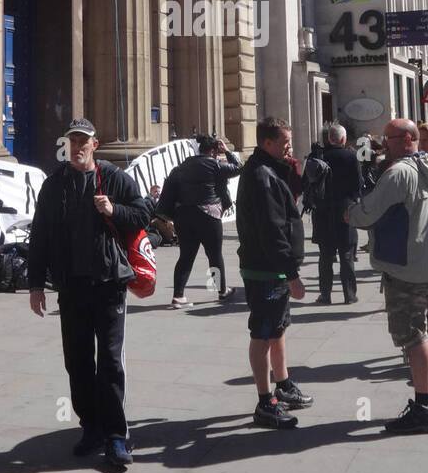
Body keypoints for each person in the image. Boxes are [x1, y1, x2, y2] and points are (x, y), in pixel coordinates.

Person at [28, 118, 152, 467]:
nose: (78, 146)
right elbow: (40, 235)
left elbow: (144, 212)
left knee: (110, 362)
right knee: (77, 361)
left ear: (95, 145)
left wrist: (115, 210)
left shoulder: (112, 178)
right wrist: (36, 284)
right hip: (71, 286)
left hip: (109, 283)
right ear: (66, 144)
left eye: (84, 140)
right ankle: (91, 426)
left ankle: (116, 436)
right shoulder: (55, 185)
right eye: (73, 140)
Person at [345, 119, 428, 433]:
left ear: (408, 139)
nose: (384, 143)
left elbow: (367, 213)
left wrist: (347, 212)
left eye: (389, 137)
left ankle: (423, 407)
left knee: (413, 334)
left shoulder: (397, 173)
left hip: (405, 266)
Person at [236, 116, 312, 429]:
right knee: (264, 333)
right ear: (267, 142)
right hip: (265, 269)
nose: (290, 147)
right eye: (285, 141)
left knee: (278, 328)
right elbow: (271, 229)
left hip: (272, 268)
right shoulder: (261, 175)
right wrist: (290, 273)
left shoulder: (269, 169)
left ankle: (282, 385)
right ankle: (265, 402)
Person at [155, 133, 242, 307]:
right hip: (208, 215)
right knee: (214, 255)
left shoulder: (181, 167)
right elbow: (239, 167)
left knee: (186, 256)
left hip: (184, 217)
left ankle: (178, 296)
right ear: (213, 151)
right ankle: (221, 291)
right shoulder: (215, 165)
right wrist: (227, 151)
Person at [312, 124, 363, 304]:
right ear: (343, 139)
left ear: (329, 139)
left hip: (322, 212)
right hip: (345, 211)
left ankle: (325, 294)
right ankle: (349, 294)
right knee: (346, 255)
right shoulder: (350, 157)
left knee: (325, 256)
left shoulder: (317, 157)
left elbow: (307, 184)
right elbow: (358, 186)